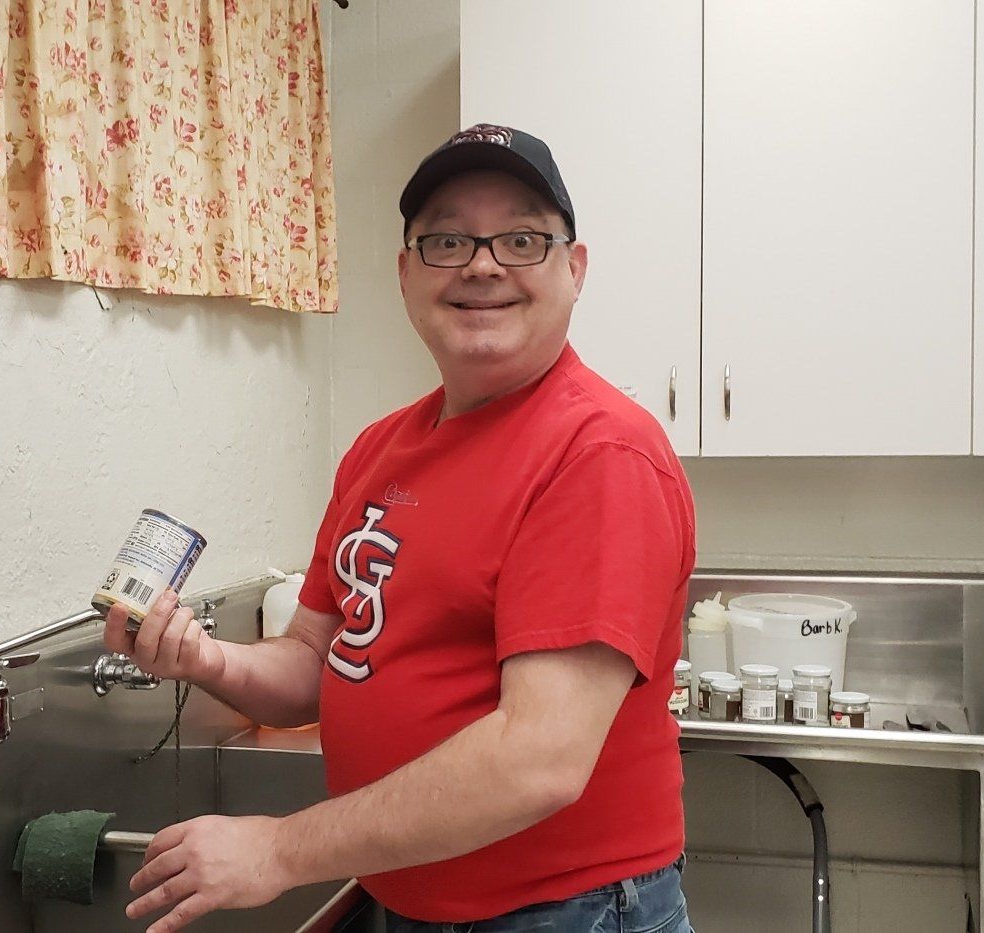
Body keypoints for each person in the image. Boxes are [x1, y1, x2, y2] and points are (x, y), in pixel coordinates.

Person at [102, 124, 697, 933]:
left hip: (567, 912)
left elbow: (540, 758)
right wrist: (204, 659)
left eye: (521, 239)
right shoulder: (380, 450)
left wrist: (278, 849)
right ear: (406, 273)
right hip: (416, 901)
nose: (482, 265)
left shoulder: (599, 453)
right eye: (447, 240)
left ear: (575, 268)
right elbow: (314, 658)